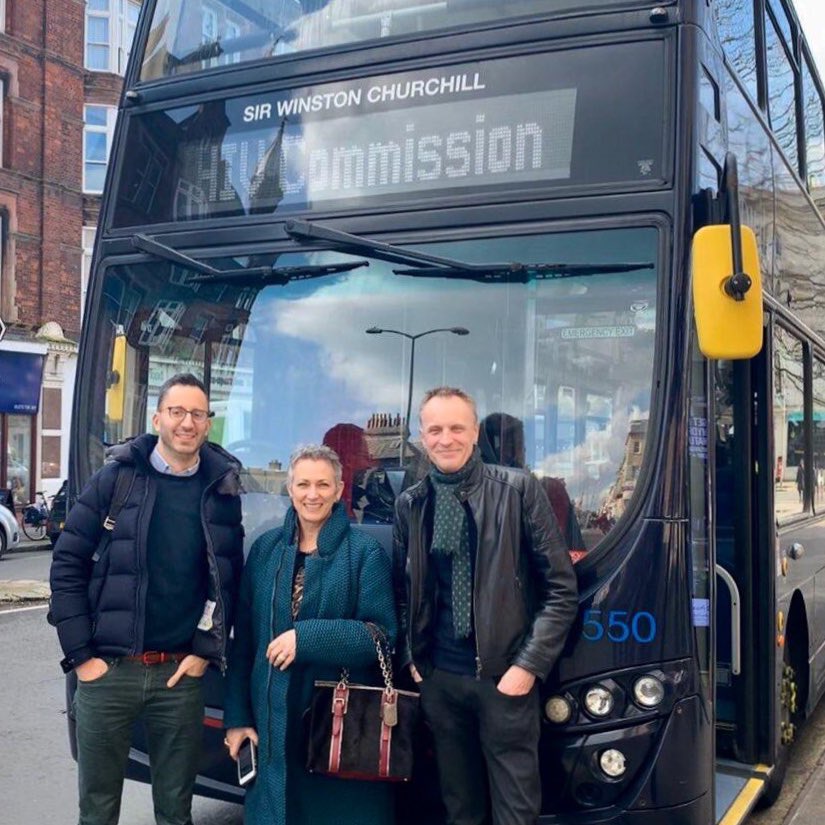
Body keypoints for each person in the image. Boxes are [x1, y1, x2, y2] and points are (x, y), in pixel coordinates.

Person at [48, 373, 244, 825]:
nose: (187, 422)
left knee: (176, 812)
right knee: (98, 811)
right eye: (177, 411)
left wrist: (204, 652)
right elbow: (67, 564)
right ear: (158, 419)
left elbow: (227, 581)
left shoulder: (221, 492)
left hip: (178, 678)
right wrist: (82, 658)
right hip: (108, 674)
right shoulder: (116, 480)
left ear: (208, 423)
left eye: (197, 414)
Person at [394, 387, 579, 825]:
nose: (446, 439)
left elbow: (560, 588)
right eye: (435, 430)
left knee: (516, 811)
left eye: (457, 428)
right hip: (440, 680)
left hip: (504, 679)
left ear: (475, 432)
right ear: (422, 435)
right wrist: (413, 662)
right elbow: (404, 591)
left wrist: (527, 667)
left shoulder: (518, 490)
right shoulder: (411, 503)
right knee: (460, 809)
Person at [223, 444, 397, 825]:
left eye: (323, 484)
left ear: (339, 490)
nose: (312, 494)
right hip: (270, 731)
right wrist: (236, 718)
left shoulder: (364, 553)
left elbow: (382, 638)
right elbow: (244, 646)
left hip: (337, 735)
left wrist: (306, 638)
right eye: (303, 484)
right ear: (290, 489)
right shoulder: (265, 550)